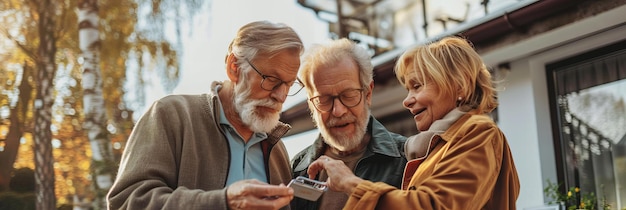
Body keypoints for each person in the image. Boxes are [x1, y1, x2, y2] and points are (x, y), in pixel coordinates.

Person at [107, 20, 305, 210]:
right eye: (272, 80)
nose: (281, 96)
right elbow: (126, 202)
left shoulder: (276, 148)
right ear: (234, 67)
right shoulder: (171, 115)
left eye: (289, 85)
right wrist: (223, 202)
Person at [306, 36, 520, 209]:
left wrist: (351, 183)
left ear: (460, 86)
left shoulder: (479, 134)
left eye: (417, 86)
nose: (407, 101)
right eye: (408, 89)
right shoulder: (436, 147)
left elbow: (433, 206)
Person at [291, 38, 407, 210]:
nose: (338, 111)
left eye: (348, 95)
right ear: (311, 104)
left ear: (368, 93)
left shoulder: (406, 159)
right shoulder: (296, 168)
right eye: (323, 100)